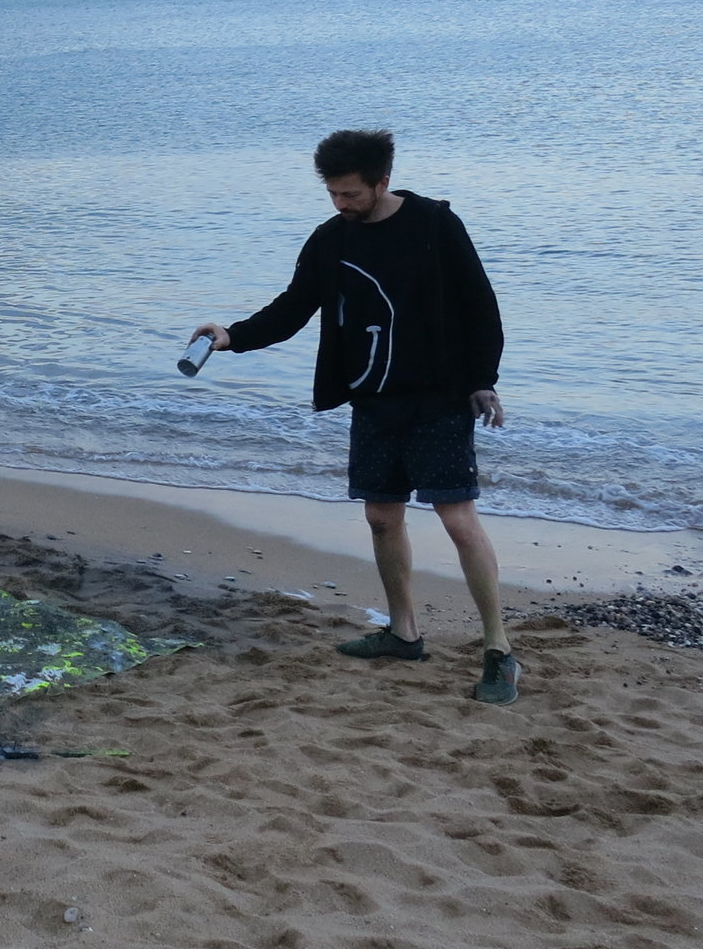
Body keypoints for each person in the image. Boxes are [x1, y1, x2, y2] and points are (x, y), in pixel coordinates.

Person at [190, 129, 522, 704]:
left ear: (382, 182)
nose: (340, 205)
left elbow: (480, 305)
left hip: (439, 399)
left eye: (350, 194)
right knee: (380, 518)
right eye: (333, 194)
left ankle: (498, 650)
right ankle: (403, 632)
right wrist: (231, 336)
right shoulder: (330, 240)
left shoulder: (435, 225)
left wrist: (483, 379)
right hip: (373, 401)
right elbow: (293, 307)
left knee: (458, 520)